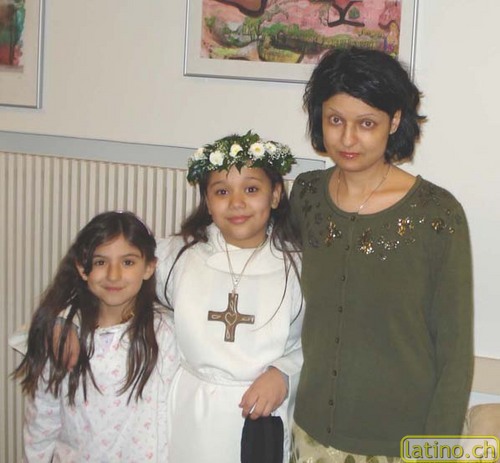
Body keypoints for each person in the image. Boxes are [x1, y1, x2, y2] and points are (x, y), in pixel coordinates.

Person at [288, 47, 473, 462]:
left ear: (395, 121)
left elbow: (455, 352)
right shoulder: (306, 195)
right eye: (335, 120)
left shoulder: (437, 214)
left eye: (366, 123)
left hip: (402, 443)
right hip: (311, 432)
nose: (347, 139)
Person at [156, 130, 304, 462]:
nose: (236, 203)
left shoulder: (297, 268)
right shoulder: (179, 256)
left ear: (275, 195)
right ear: (207, 202)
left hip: (259, 415)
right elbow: (116, 286)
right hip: (190, 414)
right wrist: (69, 323)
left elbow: (318, 341)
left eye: (251, 189)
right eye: (222, 192)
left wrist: (284, 372)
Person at [13, 211, 179, 462]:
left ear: (148, 267)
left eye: (128, 262)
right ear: (83, 268)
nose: (113, 275)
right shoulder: (62, 338)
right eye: (101, 262)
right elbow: (43, 417)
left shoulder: (166, 332)